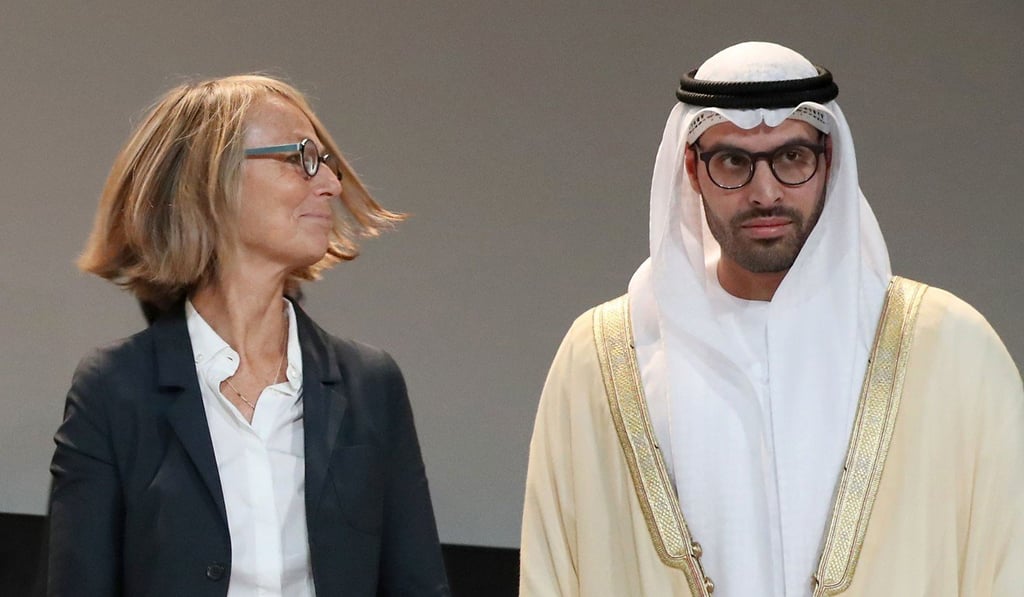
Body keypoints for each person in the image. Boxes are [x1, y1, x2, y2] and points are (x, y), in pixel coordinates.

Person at [519, 42, 1023, 596]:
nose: (765, 192)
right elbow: (552, 574)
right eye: (733, 161)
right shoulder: (604, 358)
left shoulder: (951, 351)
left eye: (791, 158)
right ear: (692, 168)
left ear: (828, 161)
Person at [48, 75, 451, 597]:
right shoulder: (113, 388)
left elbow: (417, 586)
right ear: (210, 180)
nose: (329, 183)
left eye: (326, 162)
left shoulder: (370, 384)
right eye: (300, 157)